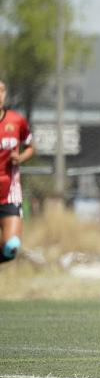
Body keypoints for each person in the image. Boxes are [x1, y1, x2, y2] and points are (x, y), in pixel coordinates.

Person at [0, 80, 35, 265]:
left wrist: (20, 158)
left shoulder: (16, 121)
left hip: (9, 193)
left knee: (11, 247)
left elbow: (30, 146)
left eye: (1, 91)